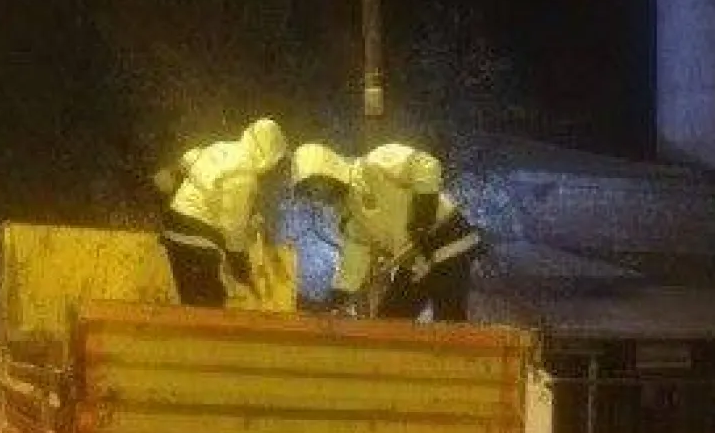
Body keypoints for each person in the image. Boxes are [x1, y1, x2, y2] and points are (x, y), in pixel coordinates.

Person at [290, 141, 483, 322]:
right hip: (415, 260)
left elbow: (425, 165)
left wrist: (423, 213)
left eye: (313, 188)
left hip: (447, 242)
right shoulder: (350, 215)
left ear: (327, 173)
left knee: (449, 322)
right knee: (389, 321)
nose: (315, 197)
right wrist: (338, 296)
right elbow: (355, 257)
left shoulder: (376, 163)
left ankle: (463, 356)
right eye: (308, 194)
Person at [153, 117, 289, 307]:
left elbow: (190, 158)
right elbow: (232, 227)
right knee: (208, 308)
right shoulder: (244, 175)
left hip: (174, 228)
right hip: (198, 240)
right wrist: (240, 266)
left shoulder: (222, 147)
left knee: (192, 302)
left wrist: (173, 173)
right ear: (268, 155)